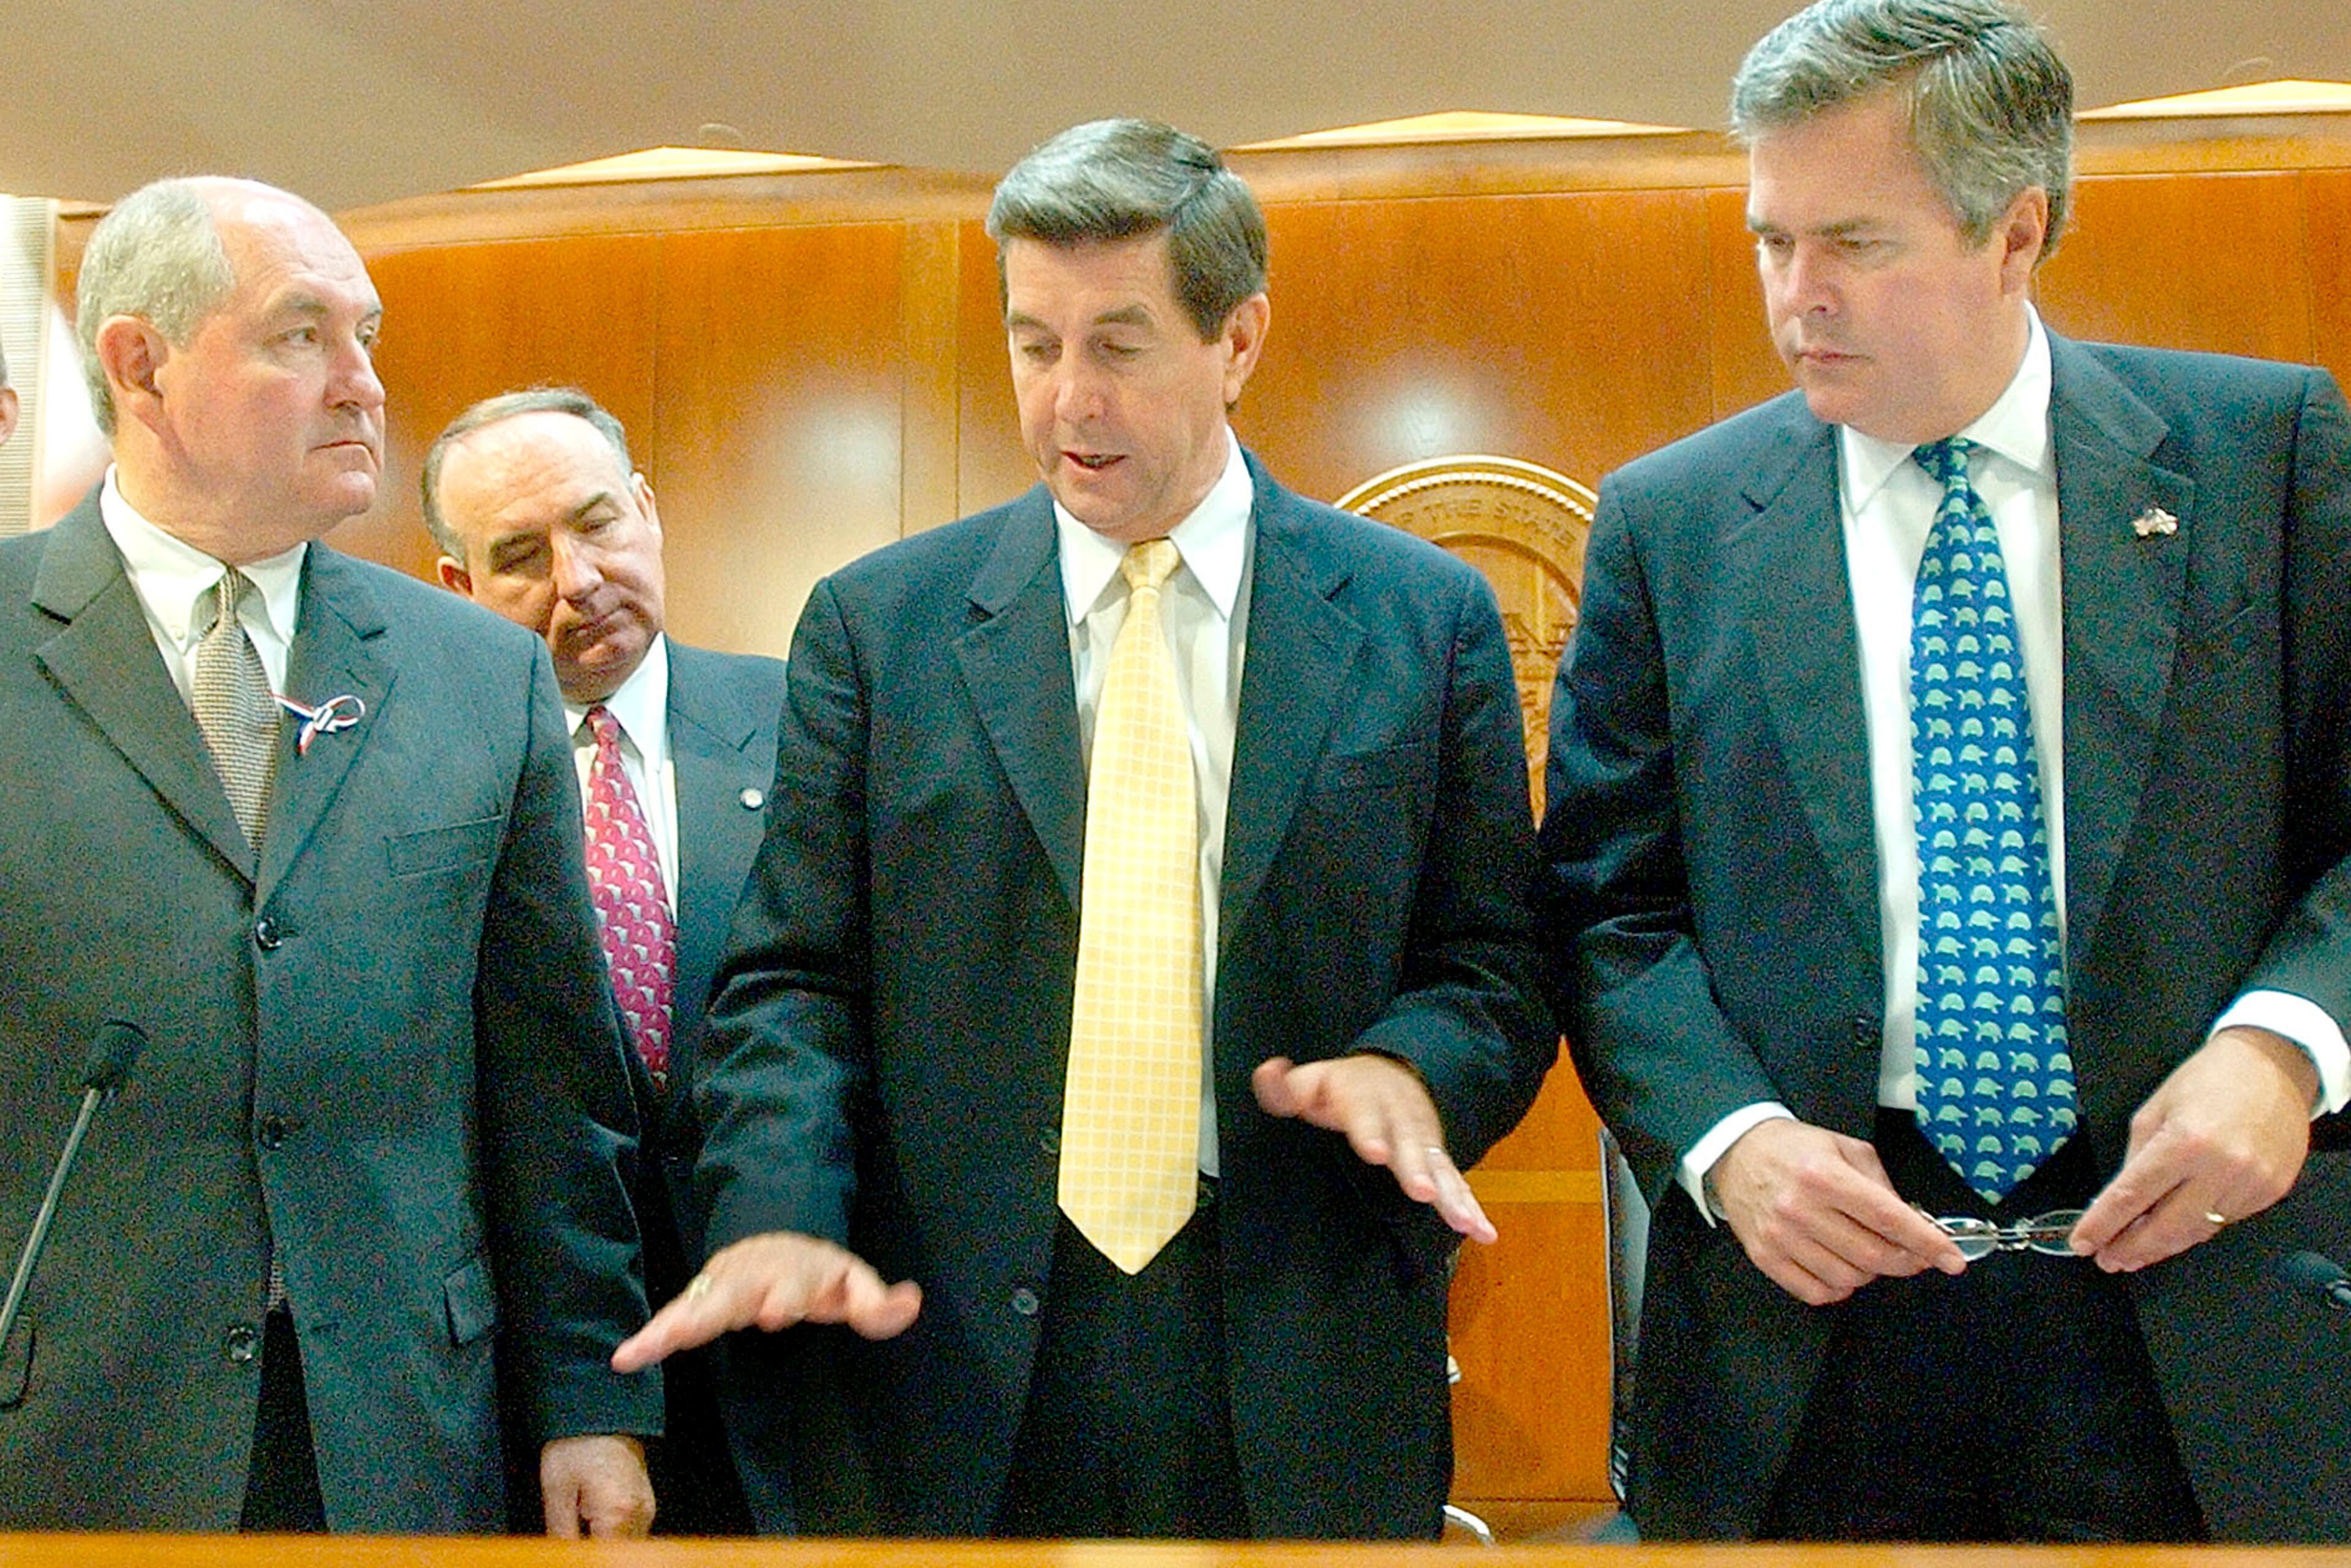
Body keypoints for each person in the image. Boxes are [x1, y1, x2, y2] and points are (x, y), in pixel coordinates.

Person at [612, 118, 1554, 1540]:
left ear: (1237, 341)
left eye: (1118, 344)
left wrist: (1414, 1072)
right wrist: (777, 1203)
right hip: (955, 1352)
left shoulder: (1422, 619)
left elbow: (1491, 965)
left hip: (1300, 1325)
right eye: (1033, 343)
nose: (1066, 400)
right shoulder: (883, 628)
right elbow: (795, 984)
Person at [1542, 0, 2351, 1544]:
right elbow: (1605, 906)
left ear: (2015, 234)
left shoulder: (2266, 457)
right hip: (1819, 1316)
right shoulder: (1677, 523)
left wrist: (2286, 1049)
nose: (1797, 298)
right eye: (1772, 240)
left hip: (2193, 1296)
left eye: (1856, 244)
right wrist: (1731, 1143)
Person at [0, 177, 661, 1535]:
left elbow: (549, 1083)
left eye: (365, 335)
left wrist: (590, 1399)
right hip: (72, 1425)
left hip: (400, 1423)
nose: (363, 383)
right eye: (302, 338)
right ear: (143, 366)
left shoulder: (479, 672)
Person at [424, 387, 783, 1533]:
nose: (577, 580)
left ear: (649, 509)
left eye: (599, 525)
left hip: (800, 1361)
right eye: (521, 555)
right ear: (458, 589)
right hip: (551, 1385)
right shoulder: (432, 789)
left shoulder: (808, 718)